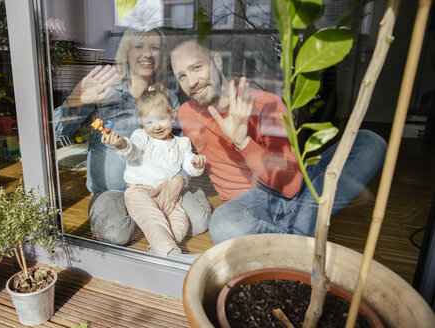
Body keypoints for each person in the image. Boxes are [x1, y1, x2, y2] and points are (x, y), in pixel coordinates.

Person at [170, 40, 387, 244]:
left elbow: (291, 185)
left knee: (371, 143)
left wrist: (243, 142)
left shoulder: (266, 103)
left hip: (285, 187)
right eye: (181, 76)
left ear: (217, 61)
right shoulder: (186, 114)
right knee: (224, 226)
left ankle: (288, 234)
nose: (191, 82)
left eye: (197, 68)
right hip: (247, 206)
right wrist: (175, 180)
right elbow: (183, 154)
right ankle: (300, 233)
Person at [54, 29, 211, 246]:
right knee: (115, 234)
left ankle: (152, 221)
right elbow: (57, 133)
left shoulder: (168, 97)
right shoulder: (104, 93)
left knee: (200, 220)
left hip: (160, 186)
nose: (147, 54)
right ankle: (151, 221)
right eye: (139, 46)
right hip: (114, 191)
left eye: (154, 48)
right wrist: (73, 101)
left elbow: (185, 146)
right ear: (127, 51)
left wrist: (179, 179)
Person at [102, 84, 207, 260]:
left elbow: (188, 164)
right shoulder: (141, 137)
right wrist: (121, 144)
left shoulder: (182, 143)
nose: (156, 126)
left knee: (181, 222)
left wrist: (196, 164)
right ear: (142, 122)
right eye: (149, 121)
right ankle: (173, 254)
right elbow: (131, 150)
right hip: (141, 192)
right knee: (155, 220)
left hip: (170, 196)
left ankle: (158, 251)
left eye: (161, 119)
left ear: (172, 116)